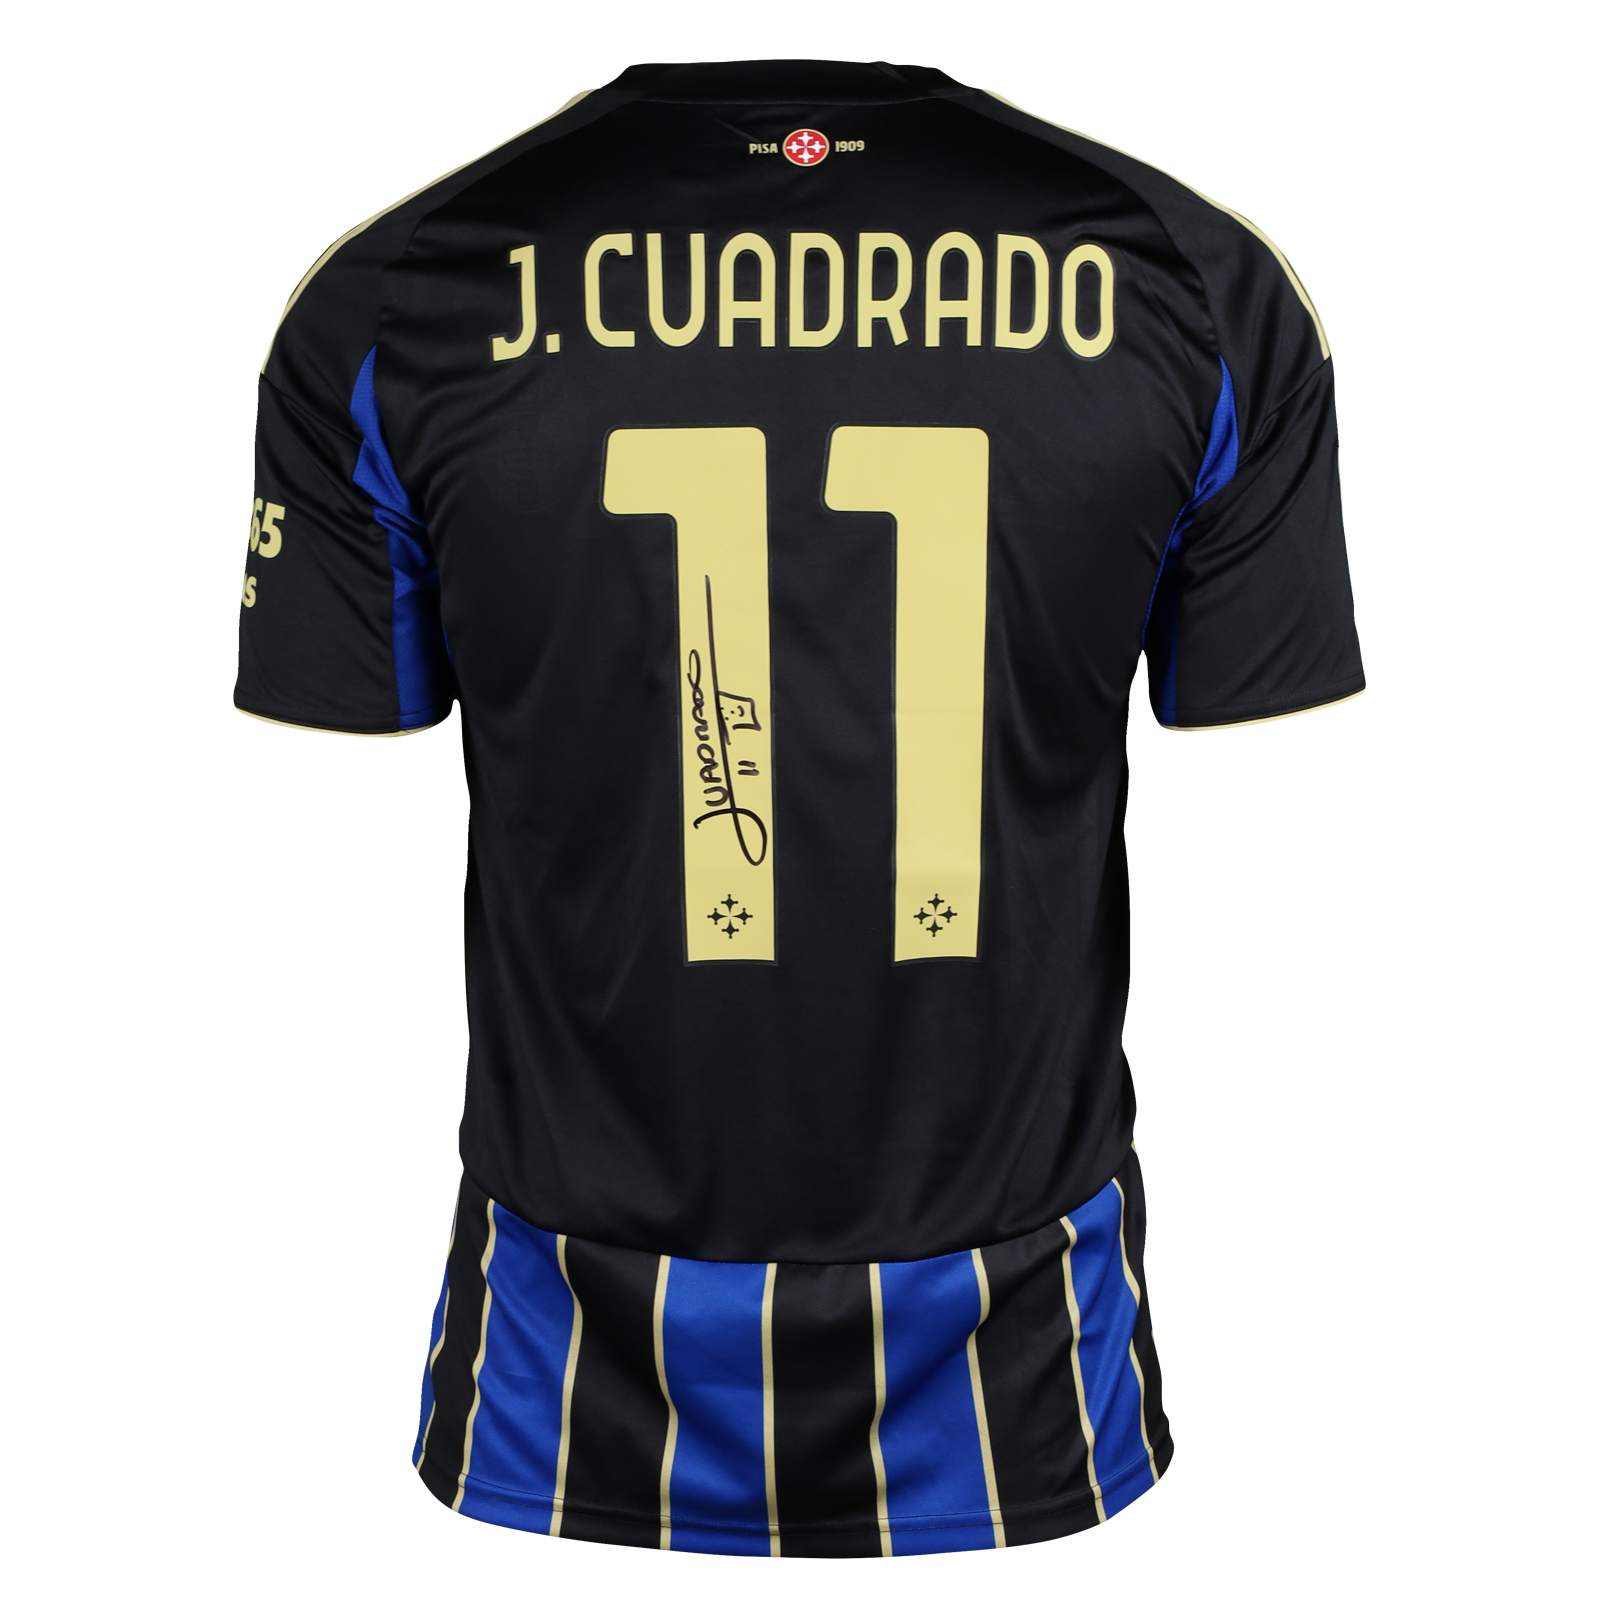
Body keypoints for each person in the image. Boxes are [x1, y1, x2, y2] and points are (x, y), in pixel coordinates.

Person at [234, 58, 1364, 1559]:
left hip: (554, 1422)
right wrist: (1292, 1256)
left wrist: (289, 1314)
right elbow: (1291, 924)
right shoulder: (1195, 284)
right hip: (1029, 1416)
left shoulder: (398, 299)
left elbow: (309, 926)